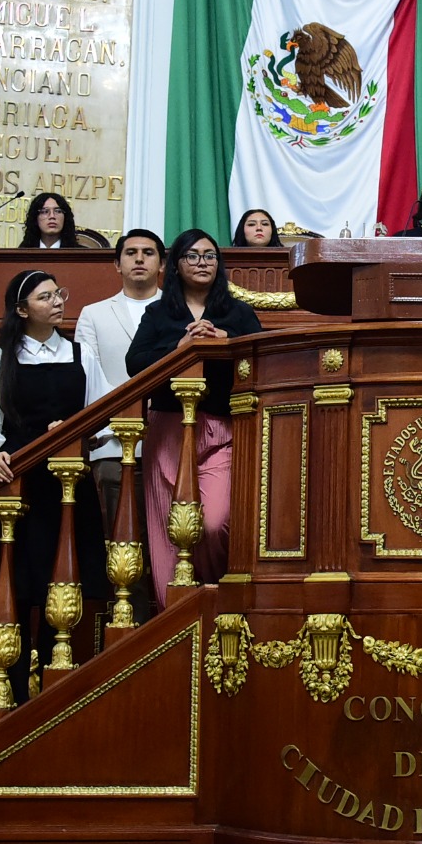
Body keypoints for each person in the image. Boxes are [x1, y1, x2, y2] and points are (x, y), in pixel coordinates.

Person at [0, 269, 111, 700]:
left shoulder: (82, 355)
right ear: (23, 310)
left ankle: (51, 688)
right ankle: (12, 690)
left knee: (60, 586)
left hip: (66, 484)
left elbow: (102, 418)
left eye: (60, 294)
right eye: (46, 298)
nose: (58, 302)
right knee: (18, 585)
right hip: (17, 484)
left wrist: (78, 429)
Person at [125, 229, 263, 603]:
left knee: (215, 522)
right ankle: (174, 618)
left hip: (223, 429)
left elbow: (263, 365)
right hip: (169, 430)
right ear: (176, 266)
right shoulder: (158, 313)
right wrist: (180, 348)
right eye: (192, 256)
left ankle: (217, 601)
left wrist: (226, 343)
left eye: (209, 256)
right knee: (167, 530)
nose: (202, 263)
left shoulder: (238, 313)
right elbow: (134, 364)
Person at [75, 229, 166, 535]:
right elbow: (87, 380)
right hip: (112, 443)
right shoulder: (93, 314)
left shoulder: (179, 312)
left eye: (148, 252)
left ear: (162, 264)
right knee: (120, 539)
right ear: (117, 264)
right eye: (130, 253)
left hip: (171, 440)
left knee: (171, 535)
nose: (139, 258)